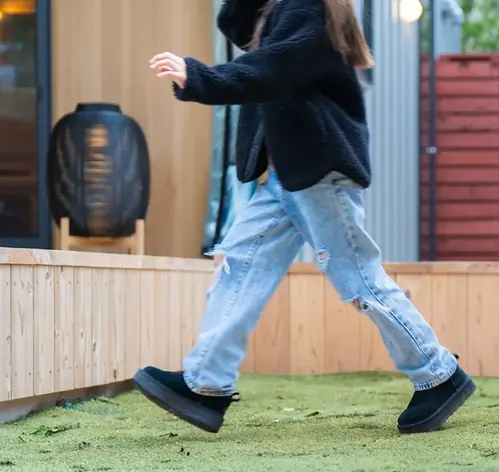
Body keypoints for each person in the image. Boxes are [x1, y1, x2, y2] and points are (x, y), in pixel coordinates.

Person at [133, 0, 475, 435]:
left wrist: (199, 76)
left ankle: (438, 373)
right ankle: (205, 385)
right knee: (239, 268)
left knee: (360, 280)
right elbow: (237, 25)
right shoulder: (284, 10)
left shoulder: (309, 7)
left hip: (316, 172)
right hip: (284, 175)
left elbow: (270, 70)